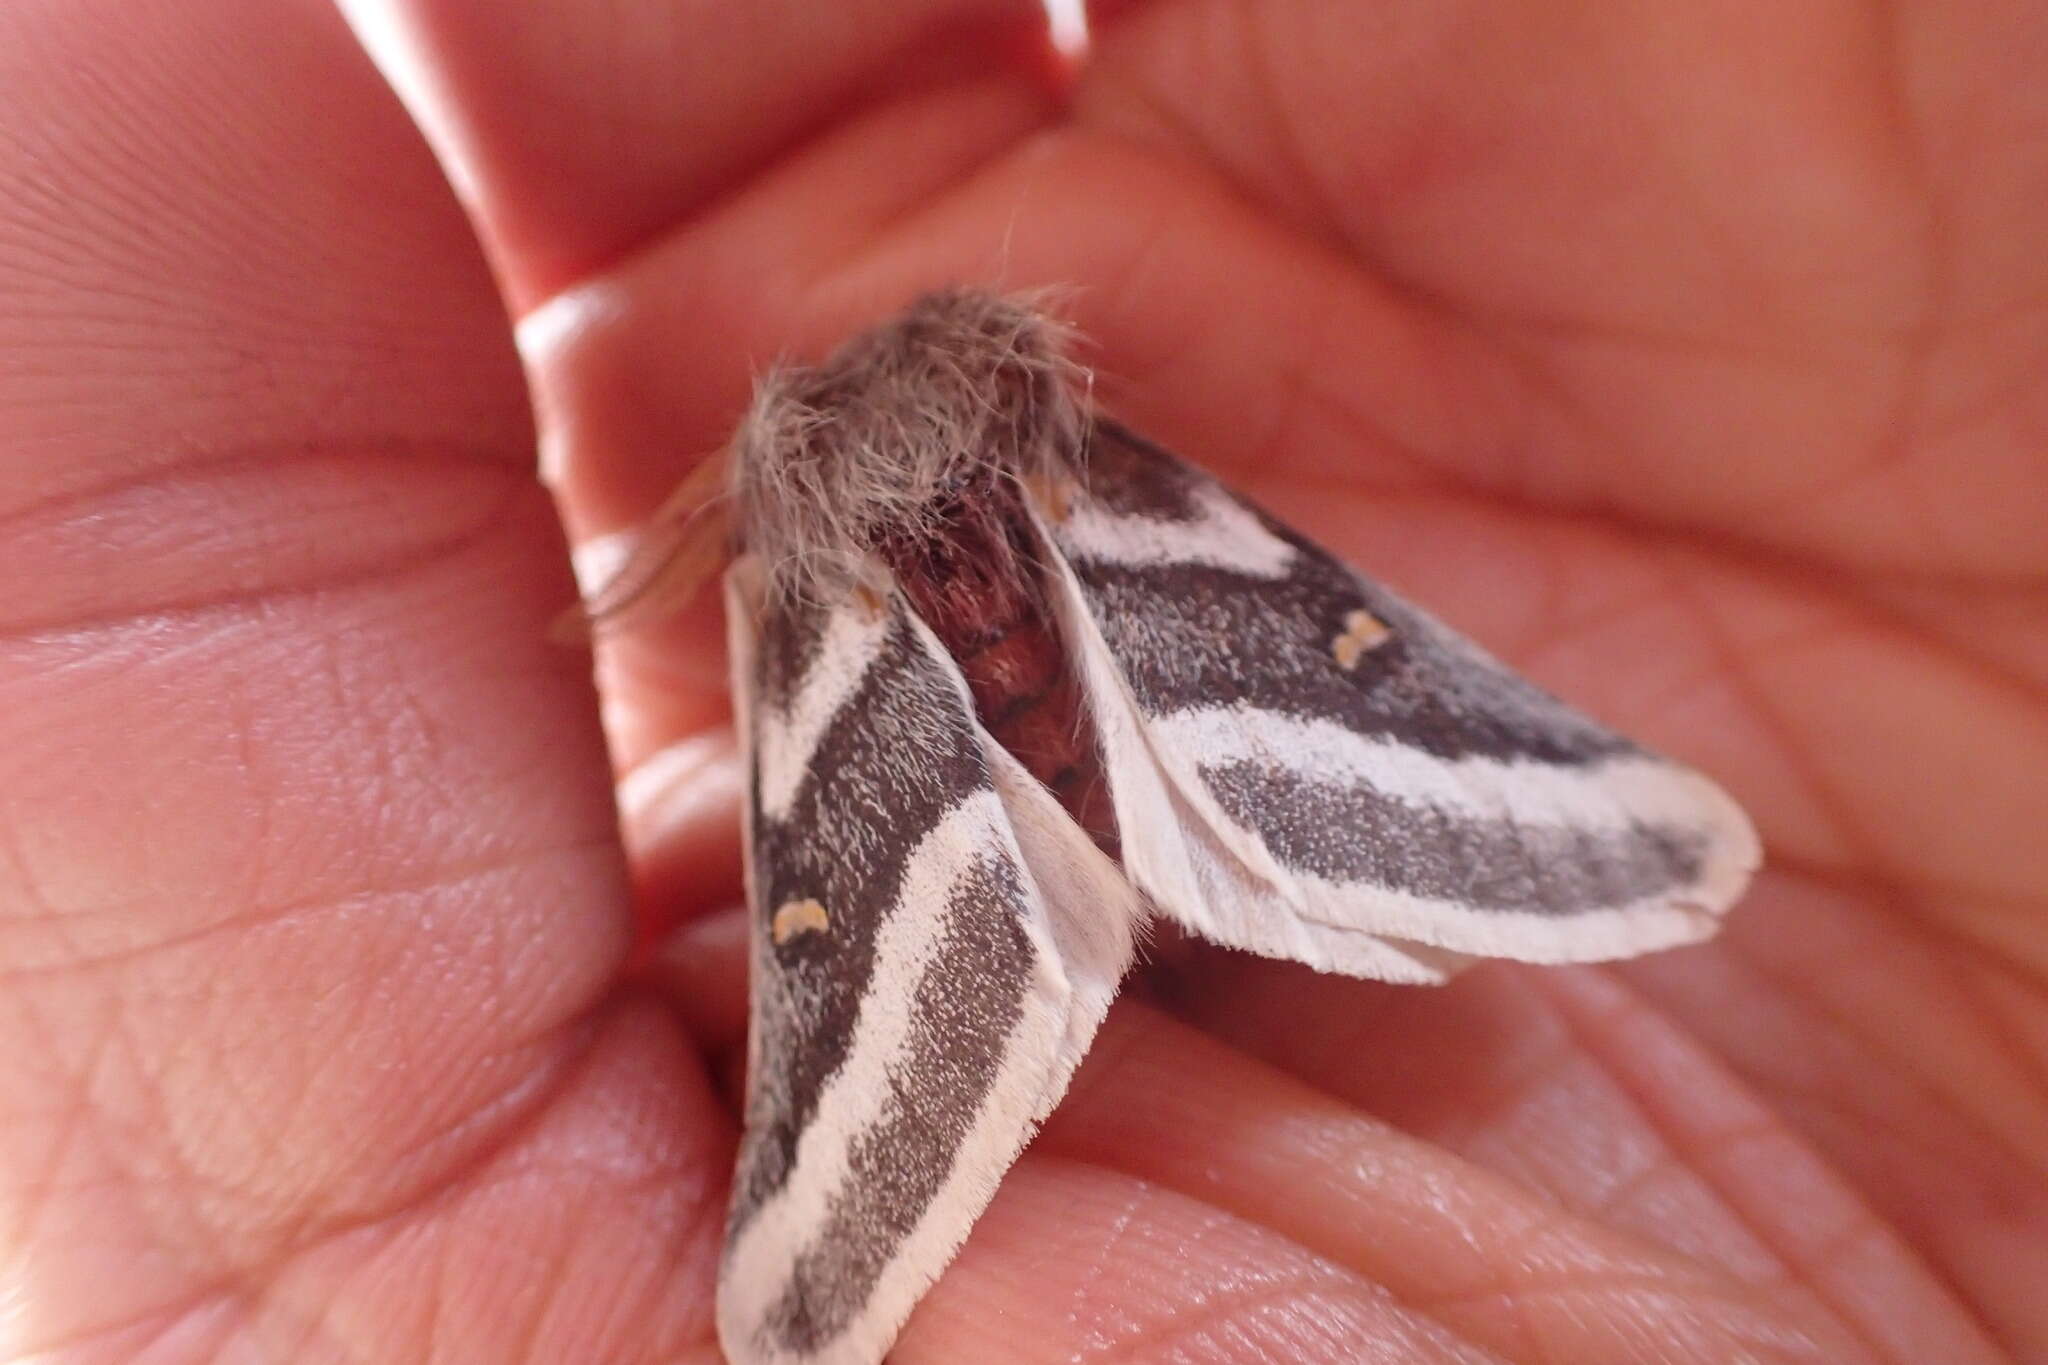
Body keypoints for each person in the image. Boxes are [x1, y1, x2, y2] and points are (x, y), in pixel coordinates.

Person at [3, 1, 2041, 1360]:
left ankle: (913, 1109)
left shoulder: (811, 601)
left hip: (885, 720)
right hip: (1088, 654)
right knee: (1405, 713)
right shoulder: (1093, 475)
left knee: (851, 973)